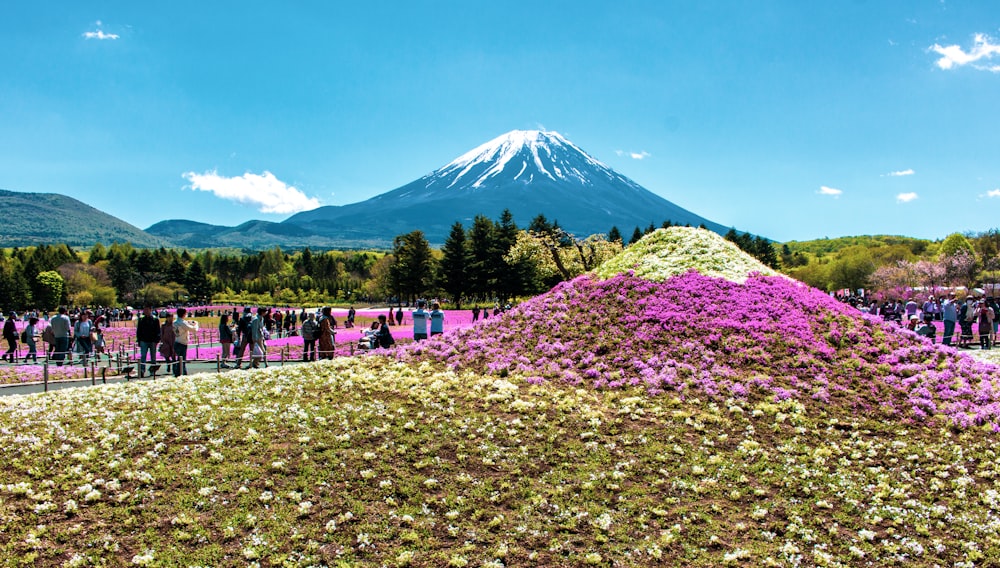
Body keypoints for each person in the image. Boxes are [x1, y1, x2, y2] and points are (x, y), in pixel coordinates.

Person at [173, 308, 199, 376]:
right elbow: (194, 329)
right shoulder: (182, 323)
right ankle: (182, 373)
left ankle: (178, 372)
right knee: (182, 360)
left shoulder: (175, 322)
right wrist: (196, 324)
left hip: (176, 341)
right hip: (182, 342)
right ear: (184, 314)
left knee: (178, 359)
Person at [136, 306, 161, 377]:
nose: (145, 311)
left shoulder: (155, 319)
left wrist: (157, 339)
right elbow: (139, 330)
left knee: (153, 357)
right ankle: (142, 370)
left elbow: (158, 330)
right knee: (143, 356)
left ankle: (153, 370)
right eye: (144, 310)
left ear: (150, 310)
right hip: (144, 340)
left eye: (147, 310)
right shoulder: (141, 319)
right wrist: (139, 340)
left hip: (153, 340)